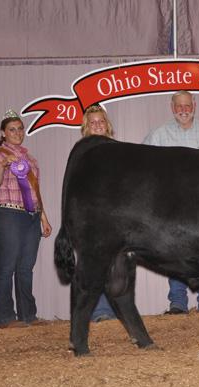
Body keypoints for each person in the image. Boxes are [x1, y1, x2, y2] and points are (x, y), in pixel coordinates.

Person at [143, 90, 199, 314]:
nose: (183, 109)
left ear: (194, 105)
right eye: (178, 106)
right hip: (173, 205)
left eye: (187, 105)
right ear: (172, 108)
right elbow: (144, 169)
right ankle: (177, 303)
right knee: (173, 252)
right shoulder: (158, 135)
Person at [0, 109, 52, 328]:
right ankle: (5, 317)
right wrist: (4, 165)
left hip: (31, 216)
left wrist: (44, 218)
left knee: (25, 267)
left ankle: (27, 315)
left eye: (20, 128)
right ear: (3, 133)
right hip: (7, 214)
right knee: (7, 265)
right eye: (12, 129)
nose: (17, 132)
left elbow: (35, 191)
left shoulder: (30, 159)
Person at [80, 104, 118, 322]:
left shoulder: (118, 149)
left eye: (100, 121)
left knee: (115, 265)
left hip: (115, 215)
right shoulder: (82, 151)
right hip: (93, 215)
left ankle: (116, 309)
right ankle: (99, 310)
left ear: (107, 125)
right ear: (86, 127)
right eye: (92, 122)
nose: (97, 125)